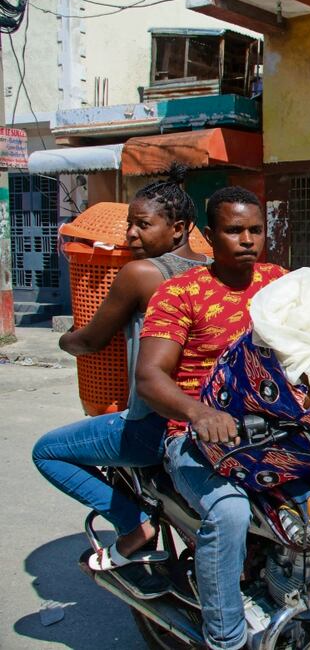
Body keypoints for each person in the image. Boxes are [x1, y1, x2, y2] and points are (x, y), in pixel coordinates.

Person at [32, 165, 210, 571]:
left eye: (142, 225)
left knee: (46, 453)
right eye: (130, 224)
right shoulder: (210, 270)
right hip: (204, 413)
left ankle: (134, 525)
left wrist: (65, 338)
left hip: (154, 422)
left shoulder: (142, 273)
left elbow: (91, 340)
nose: (130, 234)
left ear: (178, 229)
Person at [135, 186, 285, 650]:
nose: (247, 240)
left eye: (255, 230)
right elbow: (150, 376)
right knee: (230, 510)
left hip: (276, 431)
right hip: (195, 437)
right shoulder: (180, 292)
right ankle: (226, 638)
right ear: (209, 234)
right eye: (234, 230)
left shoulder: (280, 283)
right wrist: (200, 412)